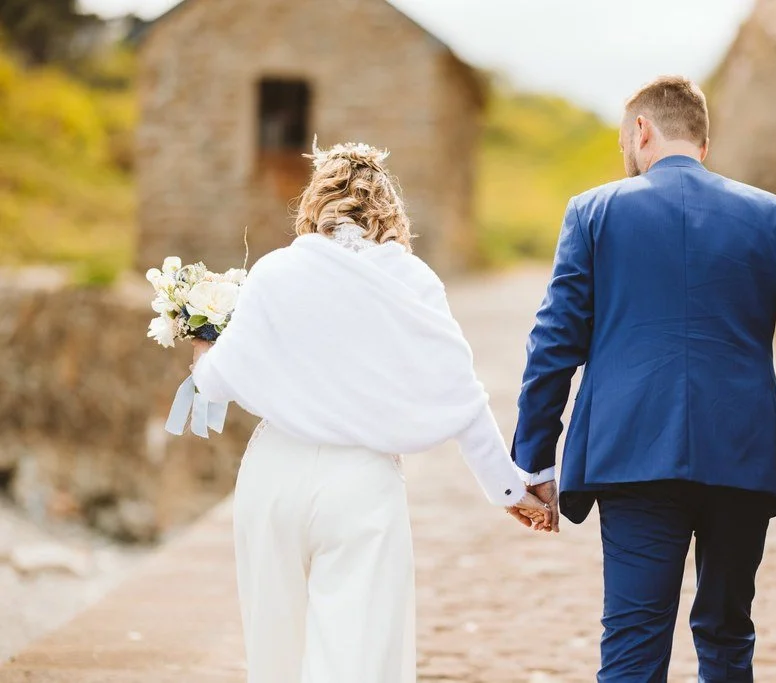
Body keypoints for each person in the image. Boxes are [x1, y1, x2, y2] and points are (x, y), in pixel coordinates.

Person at [511, 76, 776, 682]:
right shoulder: (769, 216)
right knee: (728, 635)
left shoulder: (593, 213)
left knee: (632, 642)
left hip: (631, 456)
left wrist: (533, 463)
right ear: (703, 143)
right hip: (741, 455)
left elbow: (553, 344)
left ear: (641, 131)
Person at [189, 141, 551, 683]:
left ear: (314, 204)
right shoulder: (413, 281)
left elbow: (216, 381)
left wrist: (201, 345)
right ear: (387, 210)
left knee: (275, 651)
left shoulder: (275, 271)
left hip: (273, 476)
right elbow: (463, 397)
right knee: (356, 658)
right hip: (361, 484)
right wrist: (508, 488)